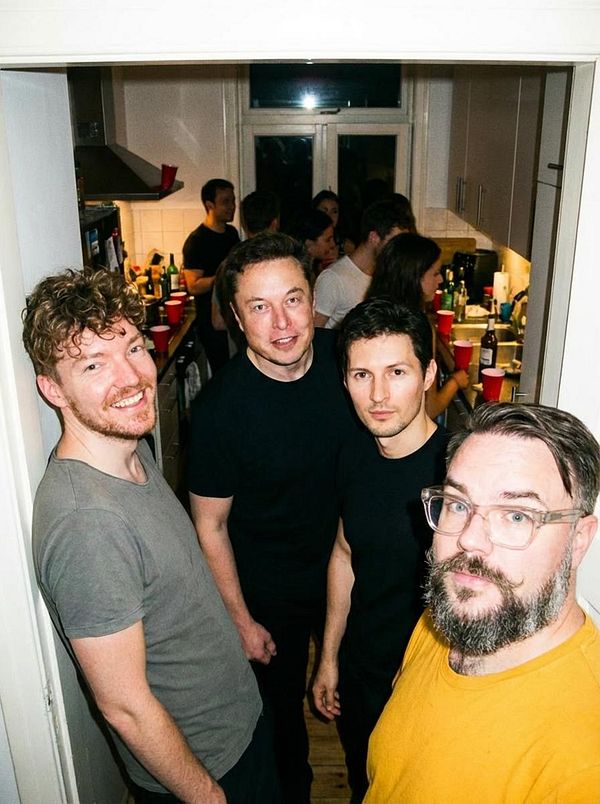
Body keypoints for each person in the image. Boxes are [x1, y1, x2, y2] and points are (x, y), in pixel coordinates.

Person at [22, 267, 280, 804]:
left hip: (235, 727)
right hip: (203, 769)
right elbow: (123, 705)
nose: (132, 377)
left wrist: (236, 625)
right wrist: (206, 795)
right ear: (53, 389)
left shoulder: (128, 448)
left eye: (134, 349)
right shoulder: (87, 526)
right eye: (94, 364)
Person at [187, 232, 358, 804]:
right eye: (259, 307)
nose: (282, 323)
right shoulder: (217, 413)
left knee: (362, 704)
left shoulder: (347, 364)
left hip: (349, 571)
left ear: (313, 299)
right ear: (235, 316)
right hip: (269, 590)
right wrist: (239, 619)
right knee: (281, 724)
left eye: (293, 299)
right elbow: (209, 526)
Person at [364, 402, 600, 803]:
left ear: (578, 538)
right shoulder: (448, 616)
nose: (470, 540)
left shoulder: (583, 763)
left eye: (517, 516)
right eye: (458, 504)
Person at [312, 298, 448, 802]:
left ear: (429, 373)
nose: (378, 395)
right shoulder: (353, 453)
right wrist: (328, 657)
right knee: (365, 783)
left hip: (428, 684)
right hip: (363, 671)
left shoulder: (458, 472)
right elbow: (345, 553)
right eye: (361, 375)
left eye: (396, 372)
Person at [368, 232, 469, 418]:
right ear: (414, 277)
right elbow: (429, 408)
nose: (440, 280)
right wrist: (455, 381)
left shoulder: (369, 315)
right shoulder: (418, 327)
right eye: (435, 273)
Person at [313, 198, 408, 330]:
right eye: (394, 241)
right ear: (374, 237)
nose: (398, 249)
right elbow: (314, 335)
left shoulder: (384, 274)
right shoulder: (333, 278)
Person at [211, 189, 281, 351]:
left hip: (242, 360)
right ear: (275, 222)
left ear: (244, 223)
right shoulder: (284, 266)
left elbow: (218, 322)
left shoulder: (227, 265)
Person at [183, 178, 240, 373]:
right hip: (211, 323)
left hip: (231, 317)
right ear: (209, 205)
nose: (232, 207)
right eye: (225, 202)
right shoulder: (197, 241)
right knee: (223, 374)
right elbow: (193, 285)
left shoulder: (232, 233)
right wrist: (222, 277)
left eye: (233, 200)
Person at [288, 207, 337, 278]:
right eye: (327, 240)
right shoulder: (295, 272)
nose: (333, 244)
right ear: (308, 242)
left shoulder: (316, 269)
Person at [312, 189, 356, 258]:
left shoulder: (347, 246)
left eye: (334, 212)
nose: (329, 216)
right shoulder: (307, 244)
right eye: (324, 211)